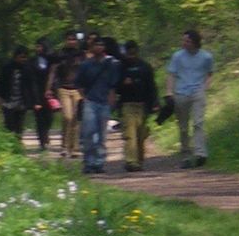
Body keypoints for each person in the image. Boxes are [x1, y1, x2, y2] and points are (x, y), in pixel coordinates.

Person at [168, 27, 216, 167]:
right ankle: (186, 156)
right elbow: (171, 74)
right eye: (183, 40)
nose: (184, 43)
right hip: (181, 93)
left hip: (197, 92)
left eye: (187, 41)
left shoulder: (206, 57)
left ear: (195, 42)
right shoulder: (177, 56)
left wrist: (205, 87)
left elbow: (209, 73)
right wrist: (169, 92)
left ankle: (201, 153)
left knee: (198, 123)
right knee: (183, 127)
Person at [74, 35, 121, 174]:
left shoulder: (111, 64)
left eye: (101, 45)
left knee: (101, 135)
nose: (99, 47)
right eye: (96, 45)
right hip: (91, 101)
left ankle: (99, 162)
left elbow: (113, 85)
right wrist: (85, 98)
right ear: (91, 47)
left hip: (104, 102)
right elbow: (79, 84)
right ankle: (88, 162)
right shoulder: (85, 65)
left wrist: (111, 101)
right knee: (88, 133)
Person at [113, 38, 159, 171]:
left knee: (140, 134)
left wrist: (154, 103)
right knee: (130, 133)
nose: (131, 56)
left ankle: (138, 159)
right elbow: (115, 87)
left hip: (142, 104)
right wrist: (123, 84)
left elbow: (151, 86)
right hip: (127, 104)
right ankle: (131, 161)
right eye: (129, 53)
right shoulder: (121, 68)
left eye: (134, 53)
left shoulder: (145, 67)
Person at [0, 47, 34, 143]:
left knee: (19, 125)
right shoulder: (7, 67)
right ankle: (9, 144)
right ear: (15, 57)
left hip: (21, 102)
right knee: (9, 124)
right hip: (8, 101)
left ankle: (17, 143)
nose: (23, 59)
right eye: (21, 57)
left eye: (25, 57)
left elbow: (31, 86)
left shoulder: (27, 69)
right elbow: (0, 82)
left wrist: (33, 100)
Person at [50, 38, 83, 159]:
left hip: (77, 89)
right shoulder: (60, 54)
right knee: (67, 117)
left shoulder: (80, 55)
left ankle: (73, 148)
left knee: (75, 118)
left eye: (73, 39)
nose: (71, 41)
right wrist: (49, 88)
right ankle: (64, 146)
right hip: (63, 88)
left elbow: (85, 71)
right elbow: (53, 71)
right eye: (69, 39)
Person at [23, 38, 58, 150]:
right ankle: (42, 140)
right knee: (39, 118)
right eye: (36, 46)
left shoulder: (50, 60)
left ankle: (46, 132)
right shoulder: (32, 61)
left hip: (49, 92)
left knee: (49, 117)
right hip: (36, 92)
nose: (38, 49)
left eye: (40, 46)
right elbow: (29, 78)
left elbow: (54, 75)